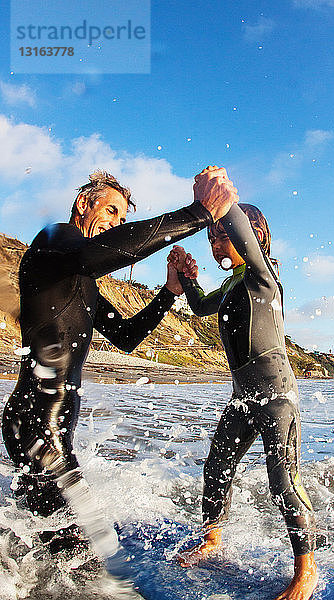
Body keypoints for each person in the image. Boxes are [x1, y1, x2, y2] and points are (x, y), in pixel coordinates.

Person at [1, 168, 238, 537]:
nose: (115, 224)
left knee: (59, 542)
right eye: (111, 211)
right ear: (83, 203)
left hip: (44, 427)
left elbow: (126, 336)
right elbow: (97, 255)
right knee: (80, 548)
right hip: (36, 424)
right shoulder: (54, 239)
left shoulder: (82, 282)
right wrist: (198, 214)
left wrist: (169, 293)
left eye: (122, 218)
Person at [168, 168, 317, 600]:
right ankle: (213, 539)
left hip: (276, 398)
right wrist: (186, 276)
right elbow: (197, 307)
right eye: (211, 237)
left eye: (223, 235)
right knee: (216, 468)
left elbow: (243, 234)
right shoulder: (233, 285)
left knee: (283, 483)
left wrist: (222, 201)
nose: (216, 244)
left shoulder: (262, 275)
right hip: (243, 397)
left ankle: (306, 570)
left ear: (255, 237)